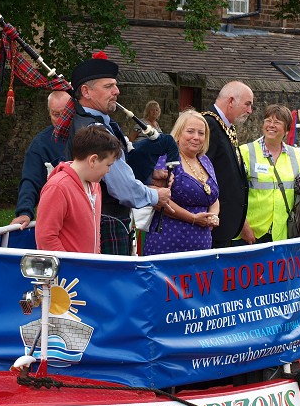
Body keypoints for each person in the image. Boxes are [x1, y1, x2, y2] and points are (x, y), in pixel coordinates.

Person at [67, 52, 172, 255]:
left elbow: (120, 170)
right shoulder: (96, 130)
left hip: (102, 221)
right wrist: (154, 195)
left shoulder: (91, 122)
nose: (117, 91)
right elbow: (122, 188)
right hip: (106, 222)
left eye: (115, 85)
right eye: (108, 86)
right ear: (86, 91)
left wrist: (149, 176)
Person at [238, 104, 300, 244]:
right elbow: (233, 193)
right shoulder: (244, 152)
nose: (271, 125)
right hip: (249, 234)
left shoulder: (295, 155)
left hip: (280, 234)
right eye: (268, 121)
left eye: (277, 122)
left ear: (287, 129)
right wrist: (242, 227)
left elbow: (296, 187)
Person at [143, 110, 220, 255]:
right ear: (178, 133)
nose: (196, 137)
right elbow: (157, 198)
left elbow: (212, 196)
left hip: (201, 243)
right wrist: (193, 219)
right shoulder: (166, 158)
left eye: (201, 133)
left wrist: (213, 215)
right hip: (169, 241)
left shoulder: (205, 160)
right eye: (190, 131)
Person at [35, 126, 122, 253]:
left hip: (88, 269)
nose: (108, 171)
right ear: (93, 160)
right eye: (108, 165)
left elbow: (95, 233)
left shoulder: (95, 185)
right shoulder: (57, 188)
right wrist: (71, 267)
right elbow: (46, 238)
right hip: (68, 271)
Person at [202, 81, 253, 248]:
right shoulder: (209, 125)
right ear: (231, 101)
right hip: (212, 224)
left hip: (224, 225)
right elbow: (202, 175)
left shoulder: (226, 127)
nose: (250, 111)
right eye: (247, 104)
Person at [11, 91, 71, 229]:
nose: (62, 119)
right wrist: (24, 211)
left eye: (66, 113)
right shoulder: (40, 144)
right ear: (49, 113)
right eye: (56, 114)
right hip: (59, 218)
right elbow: (31, 180)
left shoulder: (88, 133)